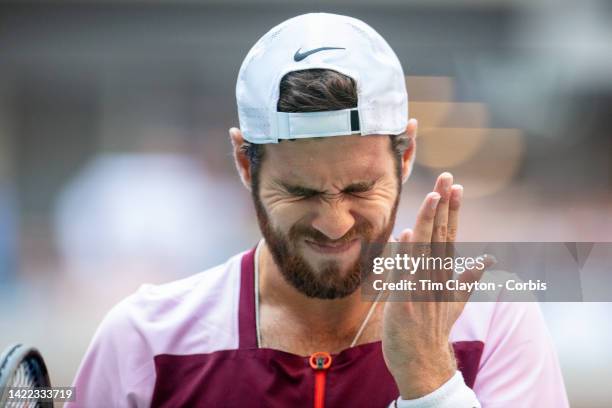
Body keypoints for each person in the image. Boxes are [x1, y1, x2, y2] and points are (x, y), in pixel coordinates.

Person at [67, 13, 569, 407]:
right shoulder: (146, 341)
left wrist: (430, 382)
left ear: (408, 155)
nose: (335, 223)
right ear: (245, 162)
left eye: (358, 188)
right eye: (302, 192)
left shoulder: (490, 322)